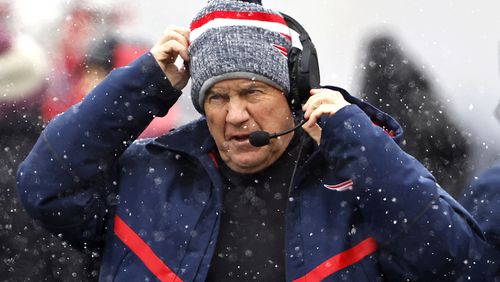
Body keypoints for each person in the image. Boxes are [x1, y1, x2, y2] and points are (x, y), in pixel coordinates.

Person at [17, 0, 485, 281]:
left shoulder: (355, 188)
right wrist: (141, 84)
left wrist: (360, 143)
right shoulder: (151, 179)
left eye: (253, 92)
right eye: (217, 96)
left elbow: (457, 263)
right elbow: (45, 186)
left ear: (297, 92)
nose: (235, 114)